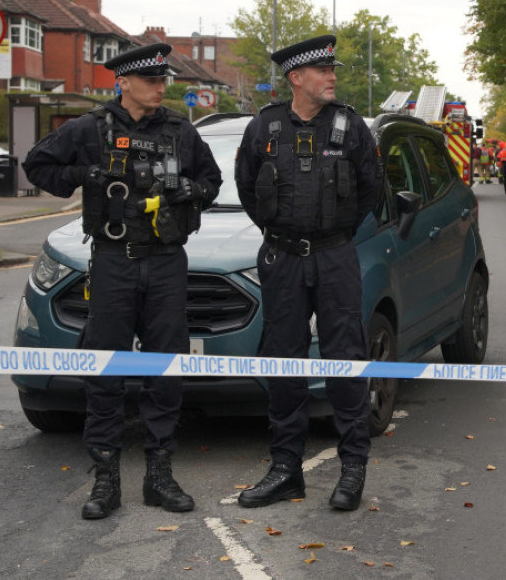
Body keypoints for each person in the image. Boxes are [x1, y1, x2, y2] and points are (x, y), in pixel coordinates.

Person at [23, 42, 223, 519]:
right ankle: (106, 478)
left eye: (163, 81)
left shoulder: (180, 131)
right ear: (125, 82)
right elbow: (38, 166)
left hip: (167, 262)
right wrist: (86, 175)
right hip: (113, 260)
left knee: (165, 369)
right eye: (152, 81)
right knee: (105, 370)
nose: (160, 88)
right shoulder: (90, 129)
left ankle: (159, 475)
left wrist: (186, 189)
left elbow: (212, 183)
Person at [234, 34, 381, 511]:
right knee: (284, 363)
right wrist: (282, 234)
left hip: (335, 256)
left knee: (346, 358)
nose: (332, 76)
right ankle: (285, 470)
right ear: (296, 78)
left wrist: (330, 236)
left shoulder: (351, 127)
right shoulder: (264, 127)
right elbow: (247, 188)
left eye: (332, 69)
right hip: (281, 258)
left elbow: (369, 191)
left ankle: (353, 467)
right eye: (322, 70)